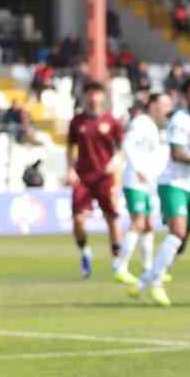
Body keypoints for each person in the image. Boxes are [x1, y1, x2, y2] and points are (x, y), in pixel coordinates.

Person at [135, 77, 190, 307]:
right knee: (177, 233)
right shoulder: (180, 120)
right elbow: (177, 154)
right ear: (185, 96)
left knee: (180, 242)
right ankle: (157, 284)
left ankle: (144, 281)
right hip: (173, 183)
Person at [66, 81, 126, 282]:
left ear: (102, 97)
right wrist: (70, 169)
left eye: (97, 94)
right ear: (85, 97)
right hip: (83, 178)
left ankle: (118, 263)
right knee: (78, 220)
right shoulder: (77, 122)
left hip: (105, 178)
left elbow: (120, 149)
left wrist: (115, 163)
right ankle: (85, 253)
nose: (93, 98)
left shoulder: (112, 121)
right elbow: (70, 148)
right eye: (90, 94)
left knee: (112, 217)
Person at [116, 92, 171, 282]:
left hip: (146, 182)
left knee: (148, 225)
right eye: (164, 104)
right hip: (134, 181)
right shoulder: (141, 122)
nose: (167, 109)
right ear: (154, 105)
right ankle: (120, 267)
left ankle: (148, 268)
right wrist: (138, 168)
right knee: (138, 222)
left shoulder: (153, 127)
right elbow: (127, 144)